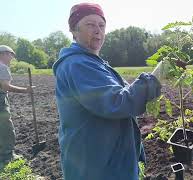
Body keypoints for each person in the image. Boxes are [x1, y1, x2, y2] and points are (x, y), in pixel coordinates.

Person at [52, 3, 162, 180]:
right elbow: (118, 102)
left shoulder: (95, 63)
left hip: (107, 158)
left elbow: (127, 94)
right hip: (96, 166)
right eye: (90, 24)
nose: (98, 30)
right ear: (74, 30)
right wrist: (156, 77)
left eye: (101, 25)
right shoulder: (78, 64)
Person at [0, 45, 34, 169]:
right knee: (7, 130)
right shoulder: (2, 67)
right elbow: (5, 87)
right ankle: (7, 156)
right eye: (11, 55)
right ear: (4, 54)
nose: (12, 58)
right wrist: (26, 90)